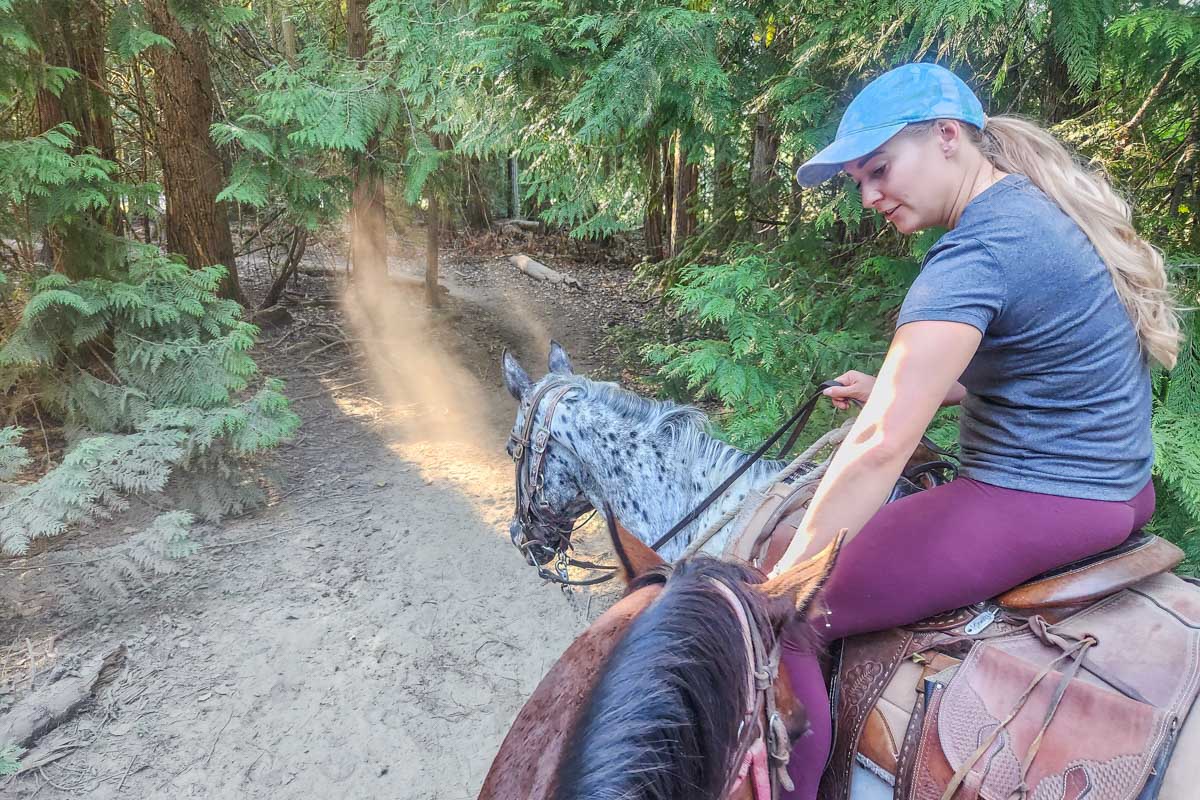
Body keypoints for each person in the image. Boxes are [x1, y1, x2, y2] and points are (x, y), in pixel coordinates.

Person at [768, 62, 1181, 800]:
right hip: (1117, 492)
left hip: (1038, 499)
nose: (868, 196)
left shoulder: (978, 250)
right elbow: (1043, 364)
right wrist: (894, 390)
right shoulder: (1035, 212)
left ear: (949, 137)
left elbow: (880, 447)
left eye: (880, 169)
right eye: (859, 181)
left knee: (793, 620)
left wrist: (786, 578)